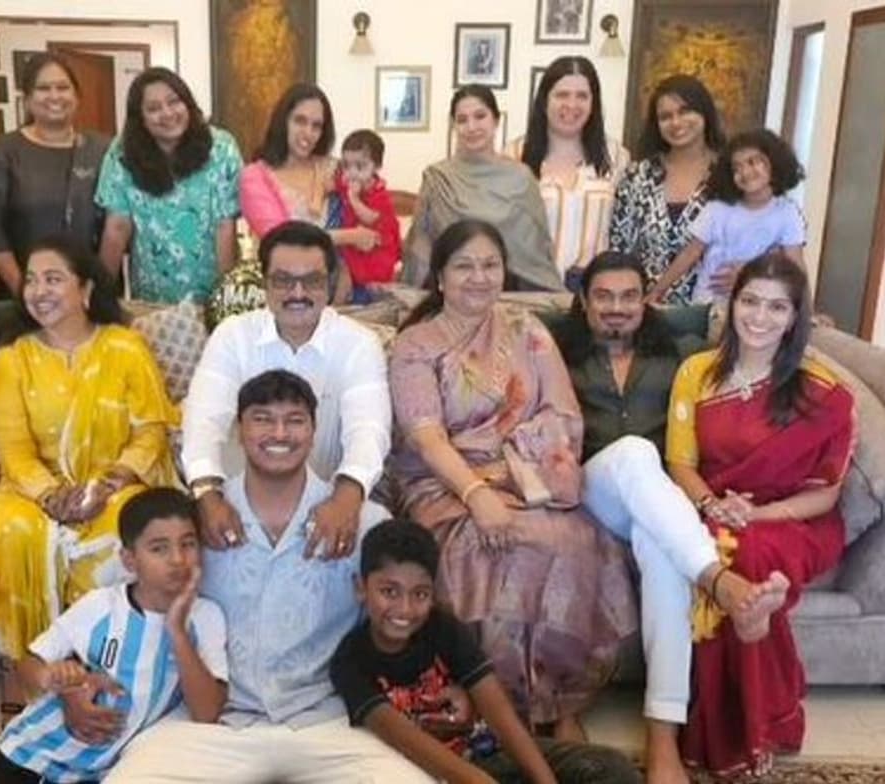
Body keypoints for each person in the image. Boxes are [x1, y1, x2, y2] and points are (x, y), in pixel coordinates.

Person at [104, 370, 431, 782]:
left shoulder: (363, 522)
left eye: (295, 420)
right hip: (213, 723)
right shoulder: (196, 519)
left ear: (313, 431)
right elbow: (116, 594)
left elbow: (411, 608)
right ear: (239, 431)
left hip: (329, 719)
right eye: (262, 419)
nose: (279, 433)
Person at [389, 219, 637, 740]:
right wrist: (477, 493)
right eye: (464, 266)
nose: (479, 277)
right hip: (445, 485)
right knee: (487, 547)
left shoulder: (527, 330)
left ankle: (559, 703)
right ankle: (497, 709)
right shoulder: (416, 344)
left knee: (577, 539)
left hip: (529, 479)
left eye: (490, 265)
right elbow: (426, 438)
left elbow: (562, 414)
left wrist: (532, 466)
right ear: (440, 276)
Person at [549, 251, 788, 784]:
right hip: (591, 491)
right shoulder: (558, 352)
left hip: (656, 508)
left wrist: (808, 325)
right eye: (603, 297)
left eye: (629, 296)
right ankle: (718, 580)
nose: (616, 308)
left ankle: (662, 734)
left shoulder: (680, 354)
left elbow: (752, 347)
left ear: (647, 300)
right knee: (635, 452)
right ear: (583, 301)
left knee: (660, 550)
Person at [666, 253, 856, 779]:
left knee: (741, 556)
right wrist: (713, 504)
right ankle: (760, 723)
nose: (759, 317)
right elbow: (681, 464)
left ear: (795, 318)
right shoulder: (696, 373)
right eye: (750, 301)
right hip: (714, 508)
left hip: (794, 519)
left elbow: (826, 494)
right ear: (732, 304)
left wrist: (760, 513)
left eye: (777, 307)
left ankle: (741, 732)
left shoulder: (823, 392)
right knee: (726, 552)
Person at [0, 233, 180, 666]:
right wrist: (52, 496)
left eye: (53, 279)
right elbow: (14, 453)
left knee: (123, 525)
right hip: (33, 492)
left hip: (115, 485)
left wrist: (110, 482)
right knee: (14, 530)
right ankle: (31, 666)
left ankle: (108, 661)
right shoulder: (12, 359)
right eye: (32, 280)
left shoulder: (125, 347)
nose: (39, 291)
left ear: (85, 289)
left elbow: (151, 431)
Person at [332, 519, 642, 784]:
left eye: (420, 594)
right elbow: (408, 741)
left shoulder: (442, 628)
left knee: (611, 768)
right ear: (361, 588)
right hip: (425, 772)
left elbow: (500, 715)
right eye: (389, 592)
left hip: (487, 755)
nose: (405, 609)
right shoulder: (350, 663)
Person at [0, 488, 228, 783]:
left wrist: (177, 631)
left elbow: (207, 713)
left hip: (99, 773)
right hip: (30, 754)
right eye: (159, 548)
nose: (178, 559)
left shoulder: (206, 617)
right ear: (129, 560)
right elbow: (27, 663)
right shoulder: (100, 605)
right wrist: (57, 682)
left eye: (188, 544)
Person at [183, 221, 390, 563]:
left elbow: (369, 430)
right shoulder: (233, 335)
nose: (297, 293)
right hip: (236, 506)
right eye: (283, 281)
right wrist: (207, 495)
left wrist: (346, 499)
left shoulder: (358, 344)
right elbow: (203, 421)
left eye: (312, 281)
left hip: (329, 500)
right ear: (264, 283)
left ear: (330, 283)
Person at [96, 67, 241, 303]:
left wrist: (225, 299)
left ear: (187, 103)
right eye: (153, 108)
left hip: (210, 295)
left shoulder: (221, 147)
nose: (167, 113)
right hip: (150, 299)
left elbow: (225, 226)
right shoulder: (121, 153)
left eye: (174, 102)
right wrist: (99, 297)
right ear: (140, 118)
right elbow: (117, 227)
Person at [402, 86, 560, 291]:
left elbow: (537, 254)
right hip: (454, 294)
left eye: (480, 116)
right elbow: (421, 246)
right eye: (462, 120)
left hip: (512, 295)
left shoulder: (521, 178)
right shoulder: (438, 178)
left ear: (496, 120)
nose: (471, 127)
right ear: (453, 126)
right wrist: (410, 294)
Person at [0, 52, 110, 297]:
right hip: (23, 292)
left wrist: (97, 289)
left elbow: (115, 224)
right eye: (43, 88)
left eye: (63, 87)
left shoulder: (102, 149)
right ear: (27, 99)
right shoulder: (5, 150)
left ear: (77, 96)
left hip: (89, 294)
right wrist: (26, 292)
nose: (54, 96)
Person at [239, 83, 379, 302]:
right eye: (300, 121)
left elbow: (371, 202)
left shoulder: (333, 168)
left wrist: (347, 266)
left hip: (344, 292)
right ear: (283, 121)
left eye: (317, 126)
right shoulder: (255, 176)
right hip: (286, 293)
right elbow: (281, 239)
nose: (308, 133)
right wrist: (350, 236)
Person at [505, 56, 629, 289]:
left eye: (582, 96)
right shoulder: (513, 155)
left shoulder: (616, 156)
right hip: (530, 289)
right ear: (544, 100)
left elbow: (625, 232)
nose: (572, 105)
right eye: (562, 95)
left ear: (593, 103)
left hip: (593, 293)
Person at [649, 129, 806, 304]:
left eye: (752, 162)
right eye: (736, 168)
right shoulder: (717, 209)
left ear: (775, 162)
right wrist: (657, 291)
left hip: (760, 305)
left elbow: (796, 265)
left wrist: (807, 311)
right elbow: (689, 253)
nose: (745, 172)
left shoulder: (787, 213)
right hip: (710, 303)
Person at [609, 75, 725, 304]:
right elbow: (619, 250)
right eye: (665, 117)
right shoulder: (638, 175)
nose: (676, 122)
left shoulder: (731, 174)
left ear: (704, 113)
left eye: (685, 111)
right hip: (645, 309)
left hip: (713, 309)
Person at [334, 129, 402, 304]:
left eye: (360, 166)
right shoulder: (347, 182)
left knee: (369, 291)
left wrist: (354, 199)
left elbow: (370, 218)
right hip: (354, 248)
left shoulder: (379, 194)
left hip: (375, 251)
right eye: (346, 166)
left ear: (376, 167)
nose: (352, 173)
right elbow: (332, 185)